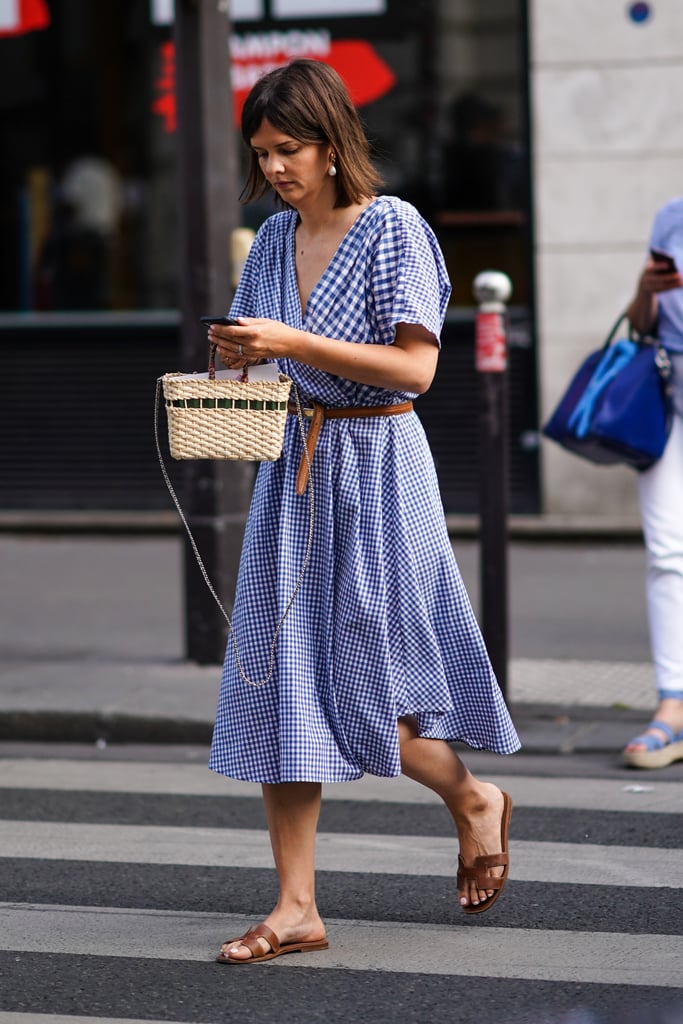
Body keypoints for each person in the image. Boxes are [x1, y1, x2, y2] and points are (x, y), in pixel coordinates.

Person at [206, 59, 520, 965]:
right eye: (261, 153)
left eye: (289, 149)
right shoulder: (268, 241)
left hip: (377, 467)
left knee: (370, 689)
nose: (274, 169)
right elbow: (271, 365)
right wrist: (240, 358)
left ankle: (472, 799)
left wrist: (292, 340)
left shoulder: (392, 227)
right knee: (277, 686)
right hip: (292, 476)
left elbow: (417, 371)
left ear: (333, 142)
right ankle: (295, 906)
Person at [622, 197, 683, 769]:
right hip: (670, 407)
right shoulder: (669, 216)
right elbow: (643, 325)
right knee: (666, 553)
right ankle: (673, 704)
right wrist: (647, 288)